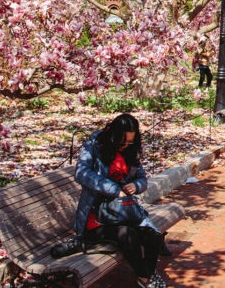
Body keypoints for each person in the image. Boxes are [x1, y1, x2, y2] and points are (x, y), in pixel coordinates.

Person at [69, 114, 166, 288]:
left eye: (130, 142)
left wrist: (136, 186)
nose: (125, 146)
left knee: (153, 236)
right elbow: (81, 173)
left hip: (123, 212)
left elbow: (142, 178)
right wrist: (114, 190)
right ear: (113, 136)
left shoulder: (130, 150)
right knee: (129, 235)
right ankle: (147, 278)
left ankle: (145, 277)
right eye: (122, 141)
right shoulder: (95, 145)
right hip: (97, 218)